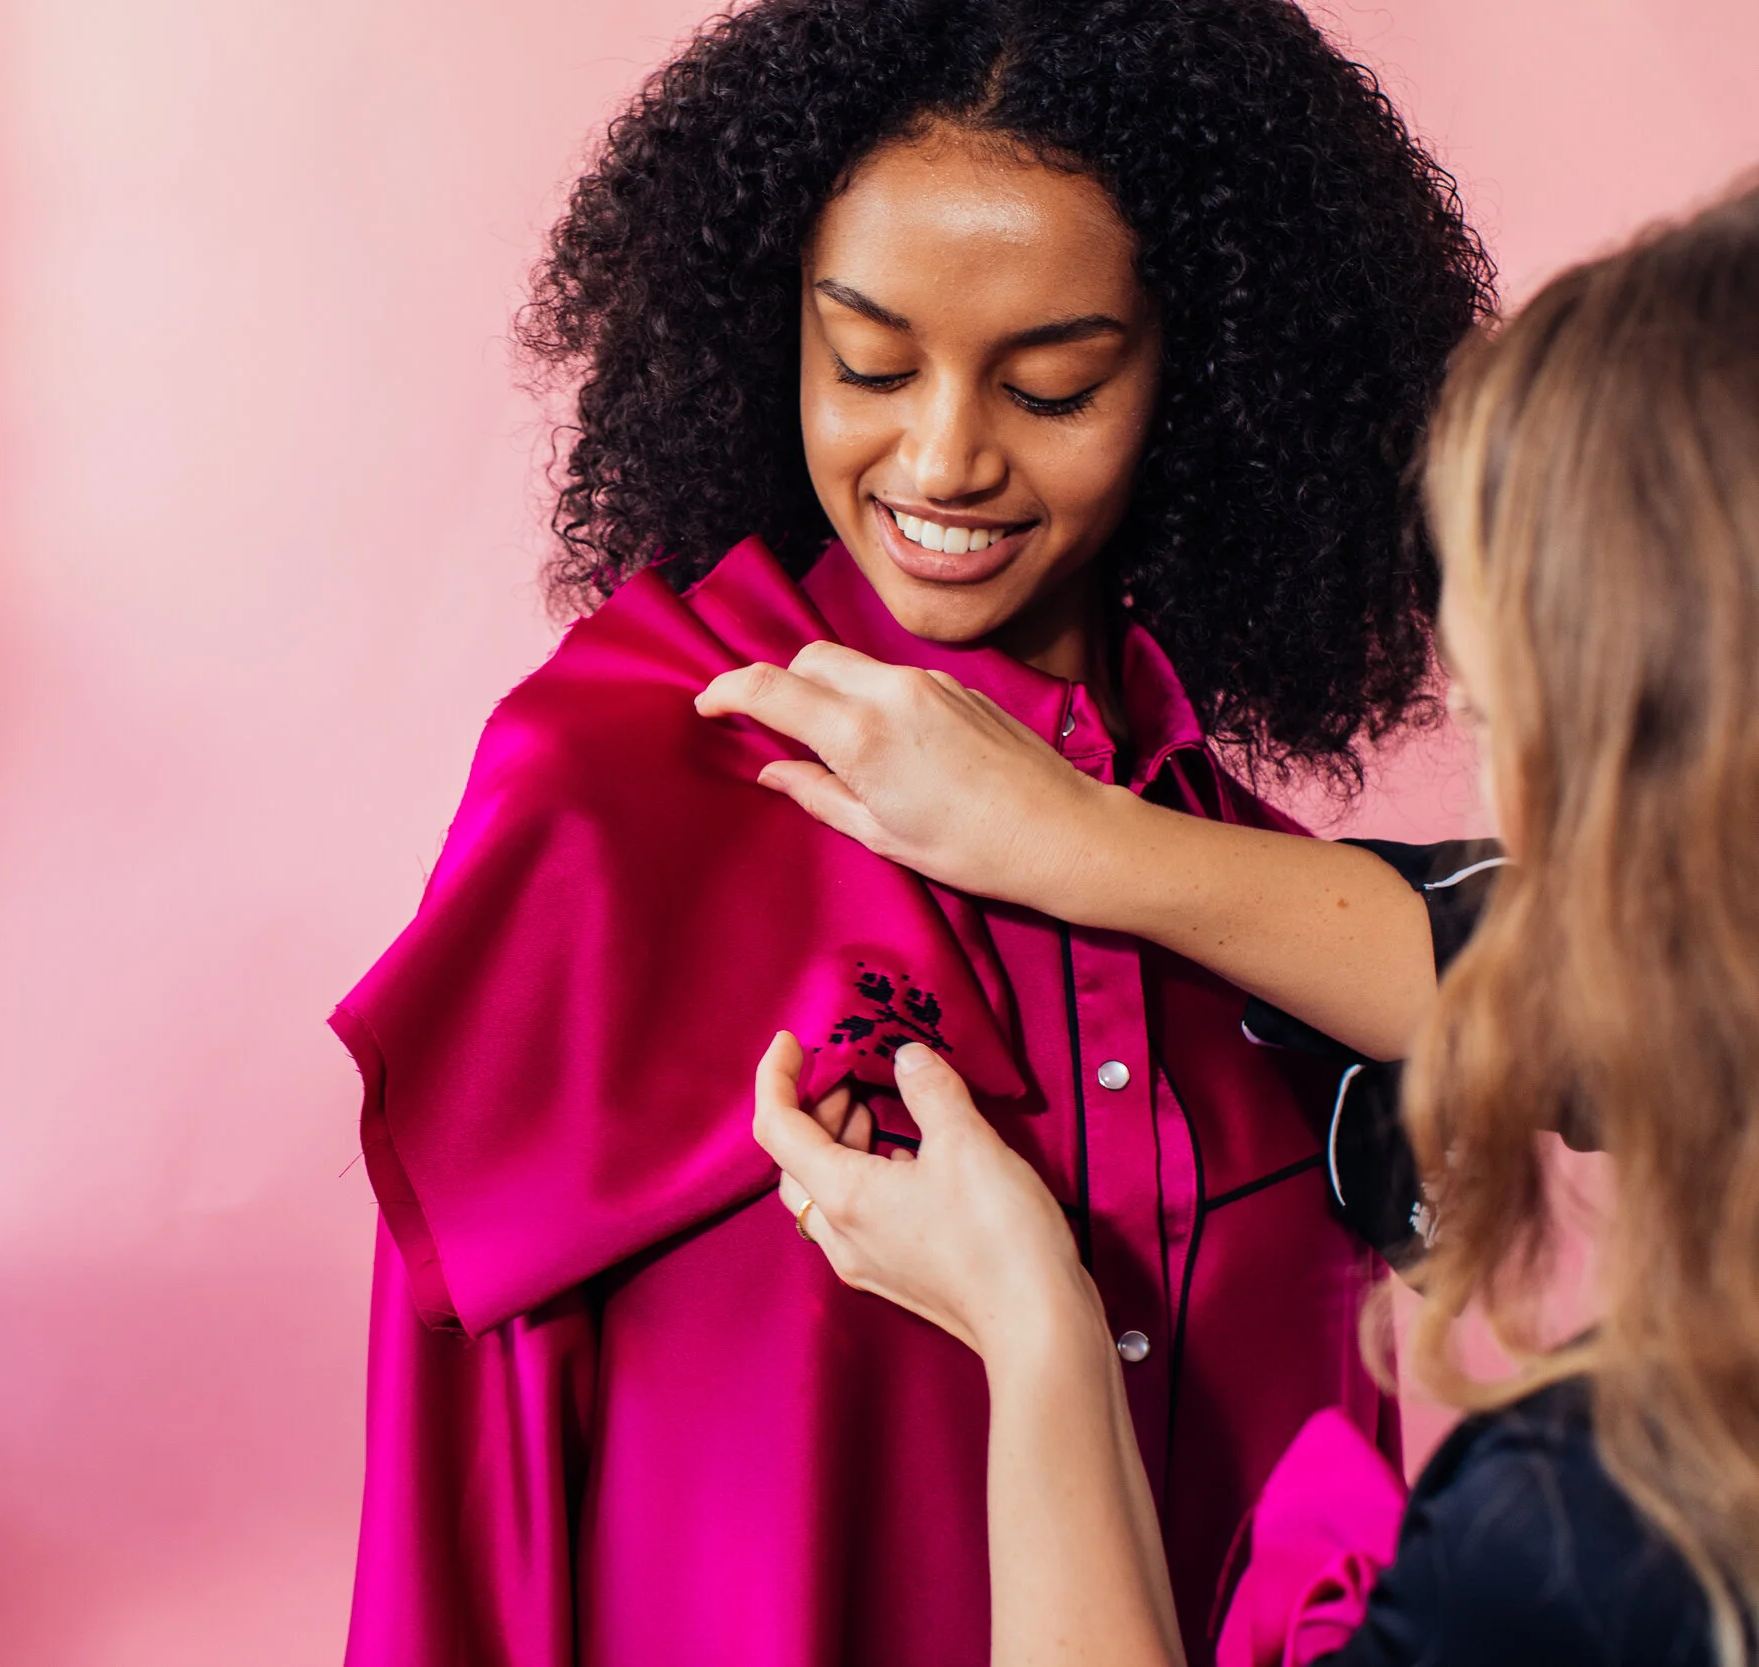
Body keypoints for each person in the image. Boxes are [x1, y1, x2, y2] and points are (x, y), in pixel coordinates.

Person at [331, 3, 1490, 1661]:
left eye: (1054, 383)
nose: (943, 453)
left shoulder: (1281, 929)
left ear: (1202, 370)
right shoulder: (613, 804)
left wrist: (1074, 839)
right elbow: (457, 1516)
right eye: (868, 361)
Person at [748, 183, 1759, 1666]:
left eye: (1499, 727)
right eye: (875, 364)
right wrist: (1094, 843)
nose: (951, 453)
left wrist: (1037, 1331)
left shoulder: (1600, 1529)